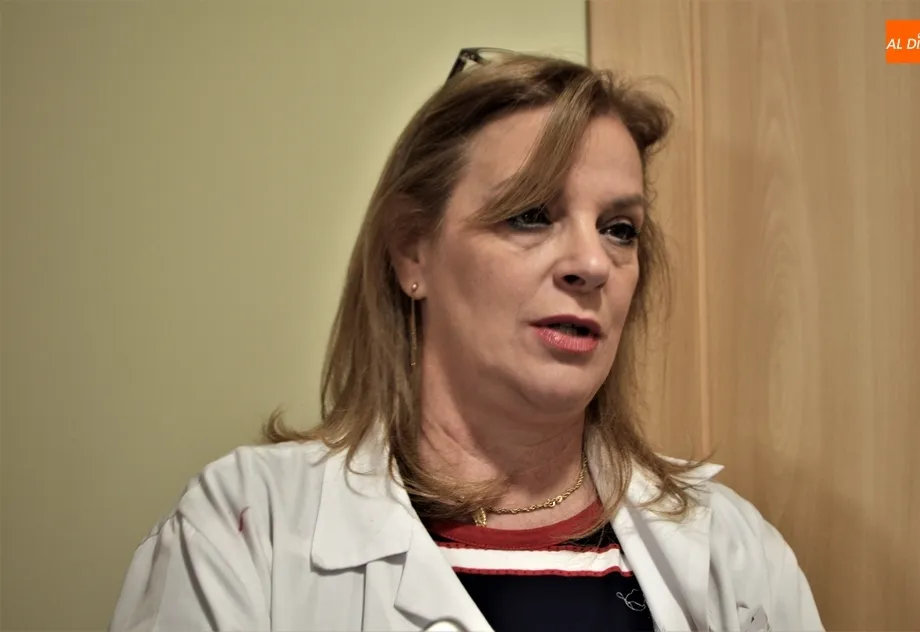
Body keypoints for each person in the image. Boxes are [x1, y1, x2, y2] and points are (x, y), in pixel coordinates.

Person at [108, 48, 824, 632]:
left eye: (619, 229)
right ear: (412, 252)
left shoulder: (734, 551)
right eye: (531, 214)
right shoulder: (245, 529)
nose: (592, 263)